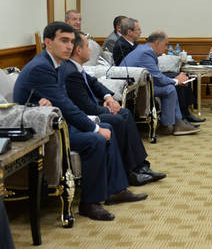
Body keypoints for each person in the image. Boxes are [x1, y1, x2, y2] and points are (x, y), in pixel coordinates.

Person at [13, 22, 147, 221]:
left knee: (107, 127)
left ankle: (115, 190)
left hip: (55, 121)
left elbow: (62, 102)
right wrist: (94, 128)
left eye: (71, 41)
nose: (69, 46)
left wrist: (96, 122)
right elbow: (65, 105)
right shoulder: (41, 67)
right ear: (48, 42)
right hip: (40, 131)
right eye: (63, 41)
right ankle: (89, 203)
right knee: (96, 139)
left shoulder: (55, 63)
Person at [59, 31, 166, 186]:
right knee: (119, 117)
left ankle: (141, 166)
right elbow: (87, 107)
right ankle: (132, 171)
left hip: (93, 109)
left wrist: (109, 98)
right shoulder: (70, 72)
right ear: (79, 50)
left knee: (124, 113)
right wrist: (109, 109)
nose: (90, 49)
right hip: (83, 117)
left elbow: (95, 84)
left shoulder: (76, 67)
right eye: (88, 46)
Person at [123, 31, 200, 136]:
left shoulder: (144, 49)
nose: (166, 48)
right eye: (166, 44)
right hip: (134, 89)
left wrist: (175, 80)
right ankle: (169, 125)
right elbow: (158, 78)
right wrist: (177, 81)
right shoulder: (146, 53)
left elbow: (155, 76)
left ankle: (177, 123)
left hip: (140, 85)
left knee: (170, 87)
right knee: (170, 89)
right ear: (158, 43)